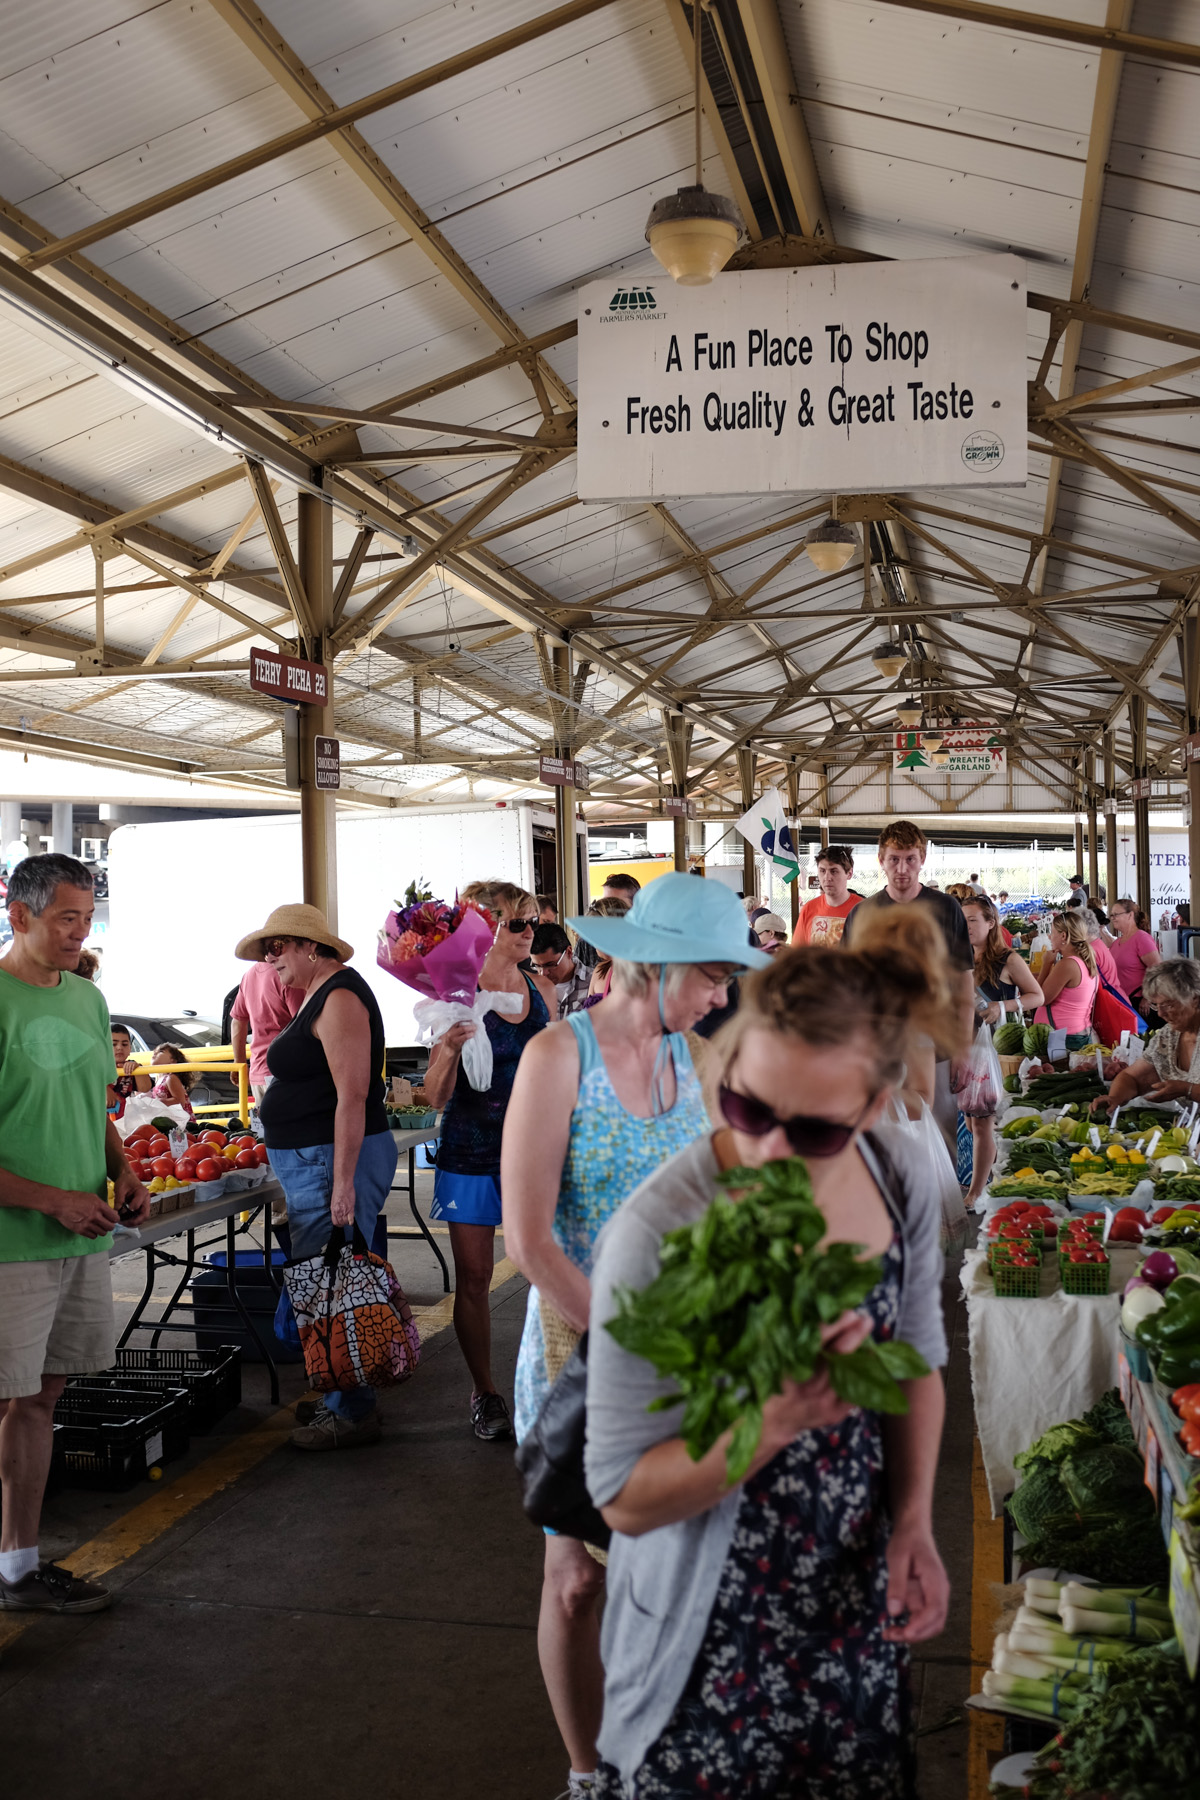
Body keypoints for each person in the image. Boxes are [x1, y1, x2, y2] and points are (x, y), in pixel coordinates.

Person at [585, 907, 954, 1799]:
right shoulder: (659, 1229)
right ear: (728, 1063)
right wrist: (777, 1420)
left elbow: (918, 1364)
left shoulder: (897, 1174)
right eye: (748, 1107)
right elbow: (623, 1498)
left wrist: (911, 1522)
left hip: (854, 1607)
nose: (769, 1151)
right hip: (704, 1640)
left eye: (817, 1131)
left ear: (874, 1108)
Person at [504, 874, 765, 1800]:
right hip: (582, 1355)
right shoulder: (555, 1057)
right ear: (652, 966)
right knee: (575, 1581)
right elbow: (530, 1239)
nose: (723, 995)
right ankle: (588, 1773)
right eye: (711, 976)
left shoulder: (701, 1060)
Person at [0, 855, 150, 1615]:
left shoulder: (89, 1000)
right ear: (18, 913)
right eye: (66, 918)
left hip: (77, 1240)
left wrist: (121, 1171)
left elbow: (94, 1110)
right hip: (11, 1247)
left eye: (87, 918)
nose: (79, 932)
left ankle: (18, 1567)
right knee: (4, 1400)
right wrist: (52, 1201)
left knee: (42, 1396)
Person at [236, 903, 397, 1452]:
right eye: (265, 950)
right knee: (323, 1285)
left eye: (277, 947)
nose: (269, 958)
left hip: (332, 1162)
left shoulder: (340, 998)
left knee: (330, 1289)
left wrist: (344, 1183)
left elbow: (353, 1095)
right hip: (318, 1161)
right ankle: (342, 1396)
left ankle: (352, 1409)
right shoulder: (319, 997)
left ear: (311, 947)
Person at [423, 882, 557, 1441]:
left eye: (533, 923)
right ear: (485, 931)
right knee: (475, 1278)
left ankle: (551, 1383)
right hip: (470, 1148)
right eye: (519, 924)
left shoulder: (541, 986)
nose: (531, 933)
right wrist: (450, 1050)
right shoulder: (455, 995)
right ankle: (485, 1392)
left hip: (535, 1149)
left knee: (550, 1270)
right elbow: (433, 1096)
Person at [842, 820, 975, 1137]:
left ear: (922, 859)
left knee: (940, 1138)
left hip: (939, 1046)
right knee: (884, 1137)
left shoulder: (946, 909)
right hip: (878, 1046)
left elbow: (964, 982)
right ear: (881, 861)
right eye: (894, 859)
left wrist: (962, 1047)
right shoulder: (862, 915)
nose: (902, 868)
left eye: (910, 859)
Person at [961, 896, 1044, 1207]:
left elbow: (1038, 996)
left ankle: (975, 1193)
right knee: (973, 1122)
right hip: (965, 1048)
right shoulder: (959, 958)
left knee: (982, 1123)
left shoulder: (1008, 960)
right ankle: (991, 1179)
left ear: (990, 922)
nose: (966, 926)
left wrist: (1003, 1006)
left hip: (996, 1050)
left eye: (972, 920)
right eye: (962, 920)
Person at [1093, 960, 1200, 1111]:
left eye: (1168, 1005)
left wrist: (1187, 1089)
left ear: (1195, 999)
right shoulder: (1168, 1037)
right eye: (1156, 1005)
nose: (1161, 1013)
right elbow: (1131, 1078)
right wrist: (1115, 1098)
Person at [230, 958, 305, 1103]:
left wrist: (239, 1062)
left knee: (266, 1125)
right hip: (287, 1072)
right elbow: (303, 1024)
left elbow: (237, 1022)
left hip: (258, 1072)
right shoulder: (288, 976)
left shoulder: (249, 976)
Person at [1032, 912, 1099, 1034]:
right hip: (1075, 1032)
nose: (1049, 937)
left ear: (1063, 936)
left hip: (1064, 1038)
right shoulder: (1083, 961)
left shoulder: (1067, 965)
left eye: (1052, 933)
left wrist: (1046, 964)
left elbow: (1040, 998)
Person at [791, 843, 862, 947]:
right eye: (822, 871)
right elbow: (797, 953)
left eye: (834, 871)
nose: (827, 877)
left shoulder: (863, 908)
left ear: (849, 874)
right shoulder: (809, 908)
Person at [1105, 898, 1160, 1013]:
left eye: (1116, 914)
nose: (1113, 918)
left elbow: (1158, 969)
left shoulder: (1141, 938)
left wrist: (1147, 998)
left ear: (1130, 915)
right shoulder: (1117, 942)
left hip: (1138, 1003)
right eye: (1111, 915)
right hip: (1121, 1001)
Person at [530, 922, 591, 1017]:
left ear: (569, 952)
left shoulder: (594, 982)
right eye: (537, 966)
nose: (543, 973)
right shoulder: (530, 987)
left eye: (550, 964)